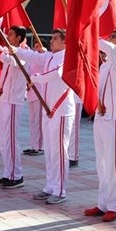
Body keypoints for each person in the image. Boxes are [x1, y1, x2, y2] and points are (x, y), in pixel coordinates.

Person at [85, 31, 116, 223]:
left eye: (113, 38)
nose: (108, 41)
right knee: (102, 163)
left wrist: (89, 32)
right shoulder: (105, 66)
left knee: (112, 164)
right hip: (101, 117)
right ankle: (103, 203)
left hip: (115, 119)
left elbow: (108, 47)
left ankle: (115, 205)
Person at [29, 29, 75, 205]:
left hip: (61, 110)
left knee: (59, 151)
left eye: (56, 38)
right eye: (52, 38)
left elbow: (57, 73)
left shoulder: (66, 56)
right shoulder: (49, 56)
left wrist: (36, 78)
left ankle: (61, 190)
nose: (52, 41)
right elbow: (31, 56)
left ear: (64, 42)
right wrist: (12, 50)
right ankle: (50, 186)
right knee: (49, 150)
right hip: (48, 110)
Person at [0, 25, 34, 186]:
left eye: (11, 35)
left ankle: (16, 175)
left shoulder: (23, 53)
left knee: (11, 139)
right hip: (3, 100)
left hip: (13, 102)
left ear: (19, 38)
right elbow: (4, 54)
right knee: (4, 139)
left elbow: (7, 58)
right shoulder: (11, 52)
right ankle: (8, 172)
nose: (7, 37)